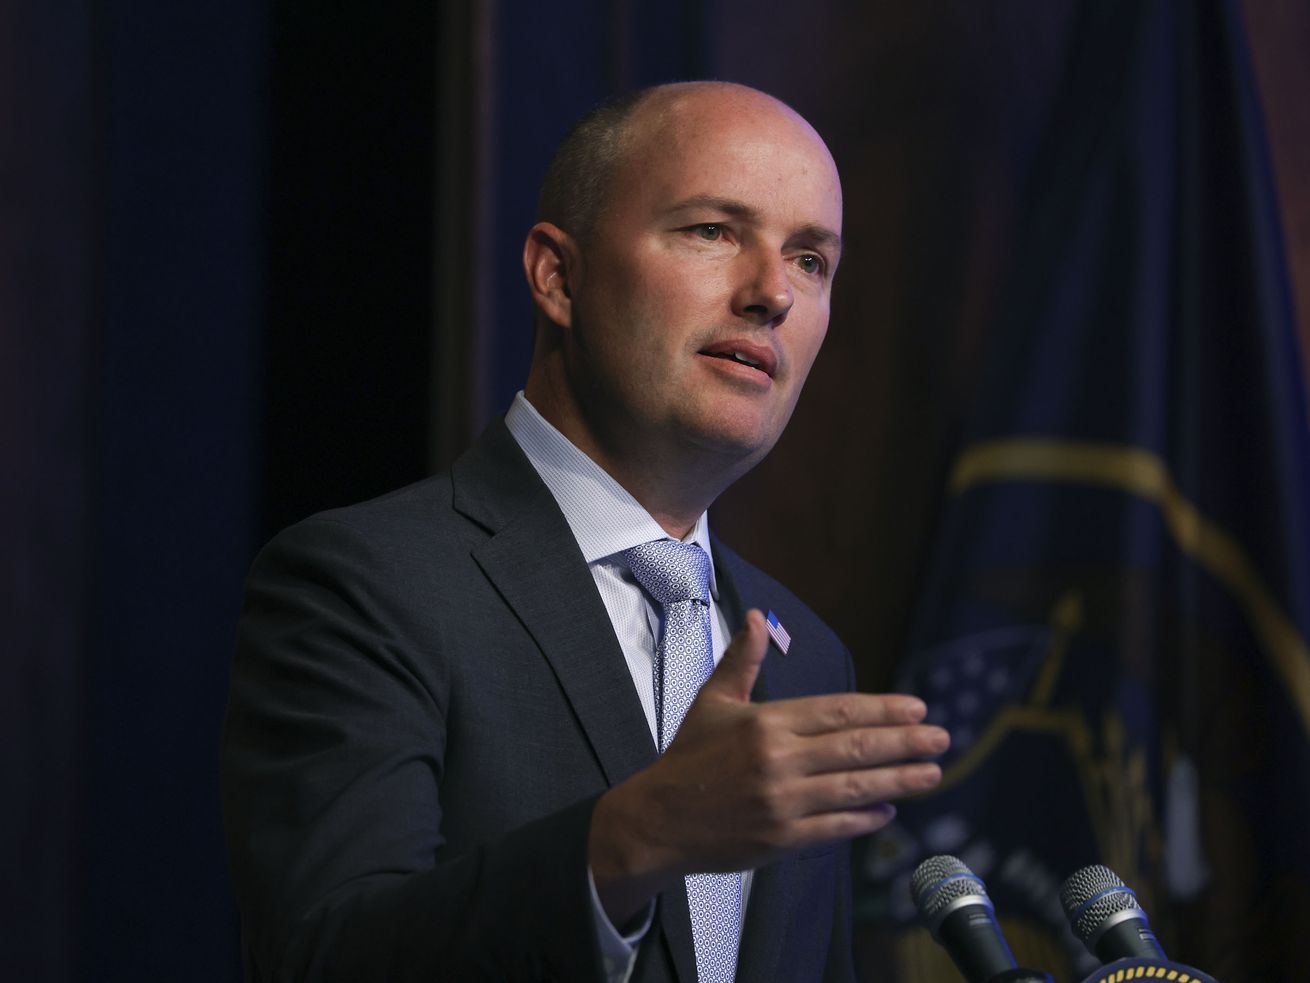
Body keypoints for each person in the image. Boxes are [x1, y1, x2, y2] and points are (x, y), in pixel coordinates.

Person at [221, 80, 949, 982]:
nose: (773, 295)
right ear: (557, 277)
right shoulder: (366, 583)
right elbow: (323, 957)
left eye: (811, 259)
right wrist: (640, 834)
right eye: (713, 230)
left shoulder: (805, 659)